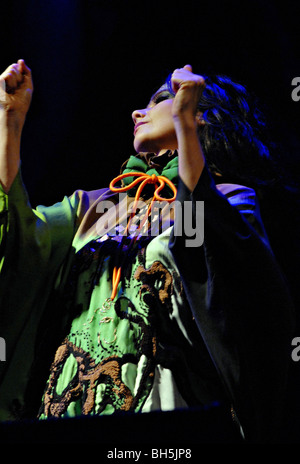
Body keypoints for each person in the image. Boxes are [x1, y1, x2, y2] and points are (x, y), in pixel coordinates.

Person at [0, 60, 295, 443]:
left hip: (165, 417)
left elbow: (218, 269)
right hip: (66, 413)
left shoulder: (227, 201)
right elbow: (18, 248)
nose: (137, 111)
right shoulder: (94, 207)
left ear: (202, 114)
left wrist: (185, 126)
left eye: (158, 100)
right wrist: (11, 122)